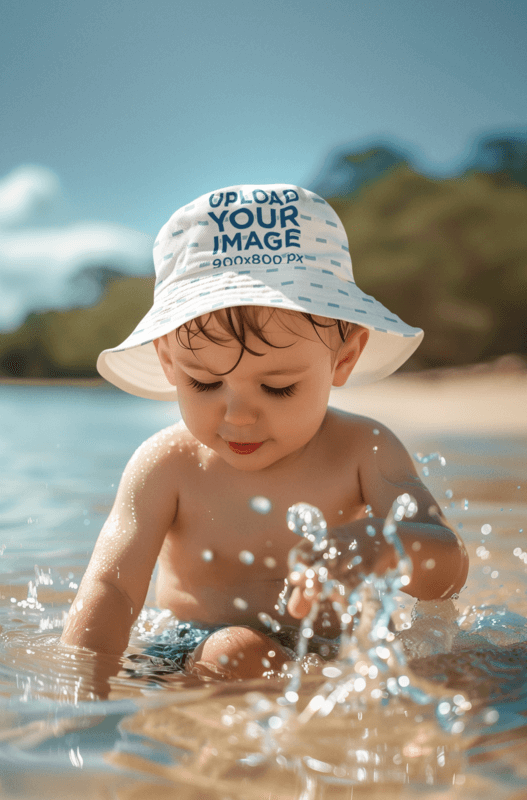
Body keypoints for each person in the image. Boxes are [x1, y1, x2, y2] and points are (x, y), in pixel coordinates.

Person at [61, 184, 469, 680]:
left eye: (278, 388)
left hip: (338, 649)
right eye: (205, 382)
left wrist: (387, 546)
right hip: (193, 648)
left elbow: (448, 572)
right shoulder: (166, 464)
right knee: (234, 652)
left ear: (344, 358)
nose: (237, 416)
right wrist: (80, 696)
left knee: (487, 662)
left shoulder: (364, 448)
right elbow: (113, 589)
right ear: (168, 361)